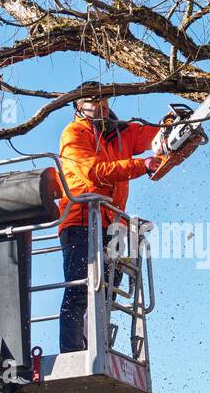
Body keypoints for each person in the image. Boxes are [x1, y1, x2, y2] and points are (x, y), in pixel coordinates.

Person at [56, 81, 163, 352]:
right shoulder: (74, 133)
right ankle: (74, 353)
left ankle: (96, 343)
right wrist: (142, 164)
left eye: (103, 99)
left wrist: (169, 133)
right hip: (81, 220)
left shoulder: (120, 133)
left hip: (112, 223)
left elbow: (150, 137)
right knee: (81, 288)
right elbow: (94, 171)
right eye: (93, 100)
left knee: (108, 289)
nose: (100, 105)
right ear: (79, 106)